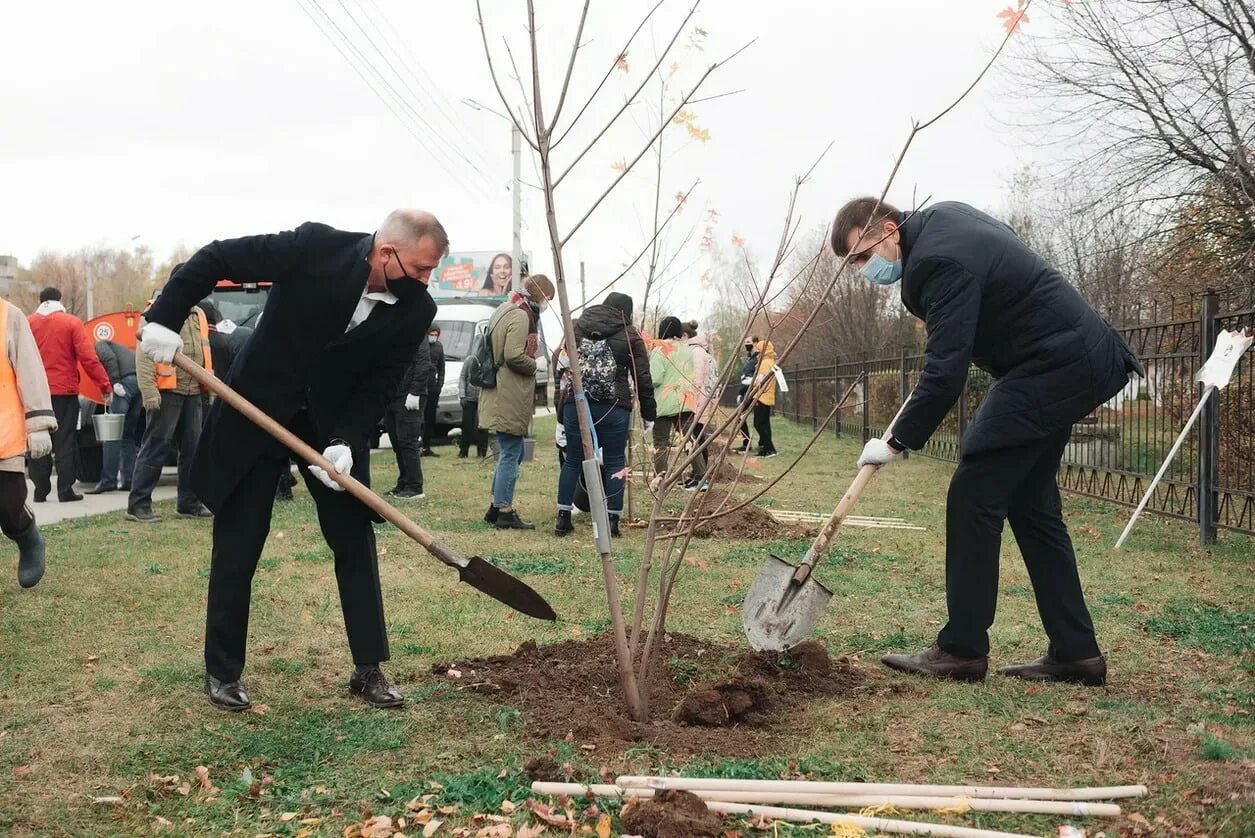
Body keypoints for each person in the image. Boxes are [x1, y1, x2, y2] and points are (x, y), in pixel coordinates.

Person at [138, 210, 446, 711]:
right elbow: (218, 256)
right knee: (240, 539)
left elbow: (380, 383)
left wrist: (347, 438)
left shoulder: (415, 308)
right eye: (420, 268)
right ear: (386, 252)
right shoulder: (314, 247)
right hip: (257, 405)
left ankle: (369, 667)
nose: (425, 281)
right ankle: (222, 671)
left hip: (329, 427)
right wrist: (163, 318)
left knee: (353, 538)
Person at [831, 197, 1143, 687]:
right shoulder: (944, 222)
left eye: (860, 256)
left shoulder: (936, 261)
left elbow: (945, 371)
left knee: (974, 493)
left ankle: (961, 649)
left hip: (1052, 364)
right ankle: (1076, 653)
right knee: (1031, 506)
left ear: (889, 229)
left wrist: (894, 442)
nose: (861, 270)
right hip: (1067, 359)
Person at [553, 291, 655, 538]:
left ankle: (563, 518)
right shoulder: (631, 335)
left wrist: (560, 411)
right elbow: (642, 377)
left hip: (577, 404)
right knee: (615, 461)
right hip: (614, 406)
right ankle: (611, 521)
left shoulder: (575, 327)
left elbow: (561, 368)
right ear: (626, 313)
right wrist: (649, 413)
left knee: (573, 459)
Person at [479, 274, 556, 530]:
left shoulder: (505, 307)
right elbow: (513, 355)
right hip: (509, 391)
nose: (546, 306)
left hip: (501, 390)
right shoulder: (522, 315)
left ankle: (495, 506)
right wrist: (537, 364)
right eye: (548, 300)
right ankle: (504, 510)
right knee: (512, 452)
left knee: (511, 451)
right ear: (541, 296)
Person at [127, 300, 215, 523]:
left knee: (192, 450)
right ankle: (139, 504)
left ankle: (189, 503)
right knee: (155, 447)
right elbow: (145, 354)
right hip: (167, 391)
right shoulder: (159, 310)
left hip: (193, 390)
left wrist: (210, 387)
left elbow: (204, 351)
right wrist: (148, 391)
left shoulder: (199, 314)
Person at [26, 287, 112, 502]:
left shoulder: (28, 323)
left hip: (35, 393)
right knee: (65, 441)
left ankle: (40, 491)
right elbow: (88, 358)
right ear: (60, 300)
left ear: (41, 300)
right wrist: (104, 385)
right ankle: (65, 491)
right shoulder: (71, 323)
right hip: (65, 392)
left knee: (38, 440)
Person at [1, 299, 56, 588]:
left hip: (4, 433)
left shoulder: (8, 315)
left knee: (9, 504)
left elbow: (30, 369)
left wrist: (39, 424)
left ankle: (27, 538)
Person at [648, 316, 710, 491]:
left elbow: (656, 378)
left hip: (664, 403)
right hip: (685, 401)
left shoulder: (659, 350)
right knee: (689, 440)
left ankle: (661, 480)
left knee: (661, 442)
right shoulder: (686, 350)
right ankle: (701, 478)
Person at [88, 338, 141, 493]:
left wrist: (115, 382)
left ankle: (108, 481)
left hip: (125, 382)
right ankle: (129, 481)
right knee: (127, 434)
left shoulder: (99, 345)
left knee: (112, 435)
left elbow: (109, 359)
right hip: (138, 384)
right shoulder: (121, 347)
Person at [384, 330, 431, 498]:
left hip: (410, 394)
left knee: (407, 441)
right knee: (397, 442)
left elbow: (423, 363)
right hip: (393, 394)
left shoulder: (417, 332)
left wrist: (416, 391)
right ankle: (404, 481)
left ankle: (415, 486)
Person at [457, 344, 488, 459]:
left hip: (483, 399)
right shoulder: (469, 360)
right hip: (469, 399)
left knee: (483, 426)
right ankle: (463, 451)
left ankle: (482, 452)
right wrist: (462, 395)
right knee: (466, 425)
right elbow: (462, 377)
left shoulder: (488, 360)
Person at [750, 337, 779, 458]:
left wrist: (752, 383)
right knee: (765, 424)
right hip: (767, 396)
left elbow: (760, 380)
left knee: (759, 423)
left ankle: (769, 448)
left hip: (761, 396)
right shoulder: (771, 362)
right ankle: (767, 448)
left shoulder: (764, 363)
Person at [421, 325, 445, 456]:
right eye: (432, 334)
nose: (433, 337)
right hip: (420, 386)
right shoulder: (422, 345)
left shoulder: (439, 347)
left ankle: (426, 445)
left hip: (433, 387)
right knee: (420, 418)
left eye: (436, 335)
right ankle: (419, 445)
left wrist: (439, 385)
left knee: (430, 418)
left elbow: (442, 367)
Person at [735, 338, 757, 453]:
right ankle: (746, 442)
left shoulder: (756, 359)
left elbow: (750, 378)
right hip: (745, 390)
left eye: (749, 343)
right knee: (740, 417)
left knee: (741, 416)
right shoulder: (749, 358)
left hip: (751, 390)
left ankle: (747, 443)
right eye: (745, 343)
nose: (746, 345)